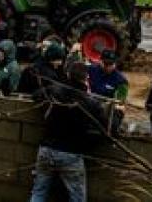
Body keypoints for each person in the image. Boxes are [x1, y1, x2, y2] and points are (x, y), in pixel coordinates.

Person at [30, 62, 112, 202]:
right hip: (70, 154)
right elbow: (107, 128)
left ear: (68, 75)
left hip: (46, 149)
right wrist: (118, 114)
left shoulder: (55, 90)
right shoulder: (90, 103)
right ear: (86, 79)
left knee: (39, 192)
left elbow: (36, 95)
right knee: (77, 198)